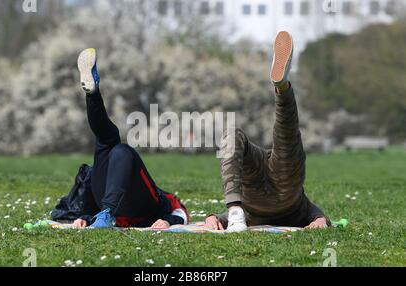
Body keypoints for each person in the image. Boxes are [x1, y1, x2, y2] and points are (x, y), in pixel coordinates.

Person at [205, 31, 330, 232]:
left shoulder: (302, 212)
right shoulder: (301, 211)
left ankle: (234, 209)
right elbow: (316, 214)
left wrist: (320, 219)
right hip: (279, 189)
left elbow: (316, 215)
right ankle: (282, 87)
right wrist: (212, 218)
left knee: (280, 136)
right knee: (284, 136)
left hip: (274, 193)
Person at [72, 48, 188, 229]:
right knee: (109, 140)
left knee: (117, 148)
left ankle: (92, 94)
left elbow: (180, 213)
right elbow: (181, 211)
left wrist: (167, 220)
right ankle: (92, 93)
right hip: (108, 199)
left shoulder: (165, 201)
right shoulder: (161, 197)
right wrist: (86, 219)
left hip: (138, 207)